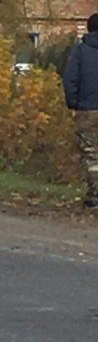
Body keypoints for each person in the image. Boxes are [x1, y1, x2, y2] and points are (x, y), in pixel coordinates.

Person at [63, 13, 98, 207]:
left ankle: (95, 197)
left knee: (92, 153)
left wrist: (73, 104)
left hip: (88, 110)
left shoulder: (81, 51)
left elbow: (70, 79)